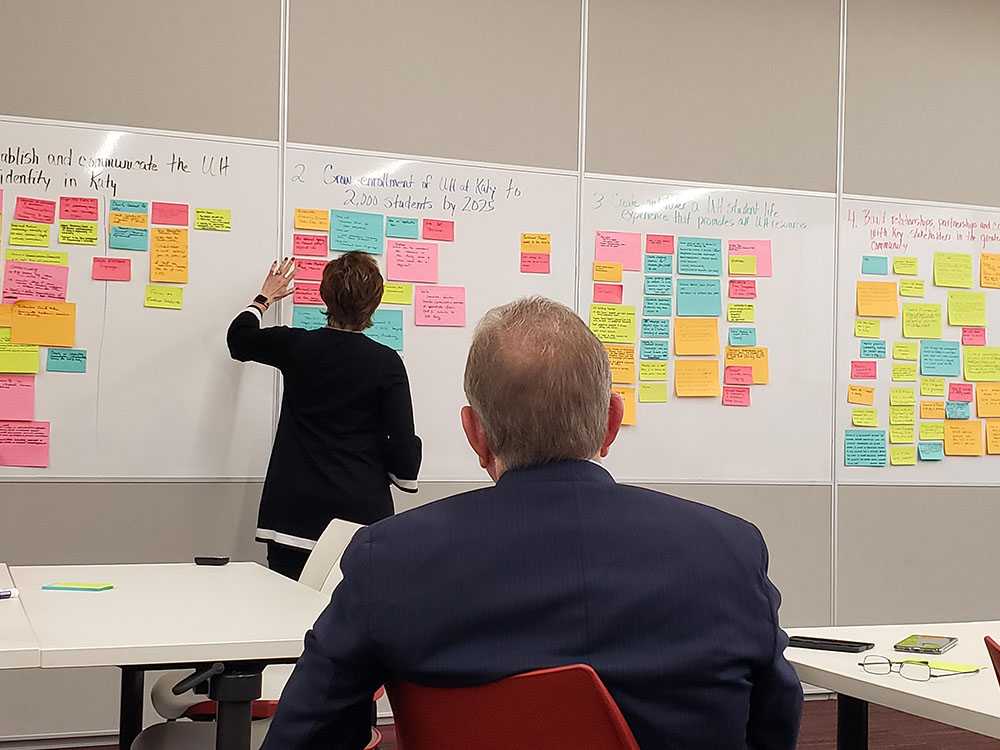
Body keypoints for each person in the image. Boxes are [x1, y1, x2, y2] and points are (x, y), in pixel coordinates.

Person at [261, 297, 802, 750]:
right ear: (611, 422)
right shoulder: (730, 551)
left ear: (475, 435)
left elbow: (304, 736)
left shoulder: (390, 558)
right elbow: (774, 724)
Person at [227, 254, 421, 580]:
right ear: (375, 301)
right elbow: (404, 454)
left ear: (324, 295)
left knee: (288, 617)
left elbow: (239, 338)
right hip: (359, 518)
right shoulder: (386, 363)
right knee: (354, 620)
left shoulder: (297, 346)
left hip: (293, 515)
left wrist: (264, 298)